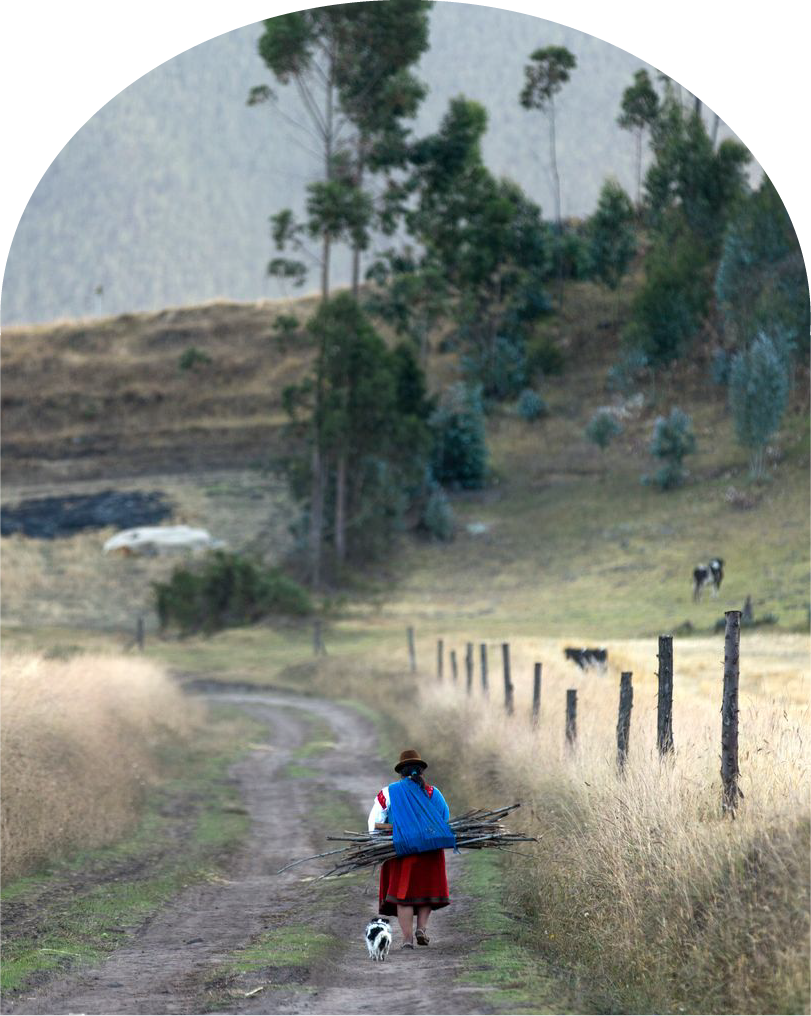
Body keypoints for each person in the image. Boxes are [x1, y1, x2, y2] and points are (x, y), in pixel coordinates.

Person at [367, 749, 454, 950]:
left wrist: (377, 842)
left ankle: (407, 940)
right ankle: (421, 929)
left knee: (403, 896)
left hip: (401, 849)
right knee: (426, 892)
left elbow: (375, 821)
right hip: (430, 850)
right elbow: (444, 818)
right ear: (421, 771)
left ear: (401, 772)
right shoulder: (433, 793)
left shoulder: (388, 792)